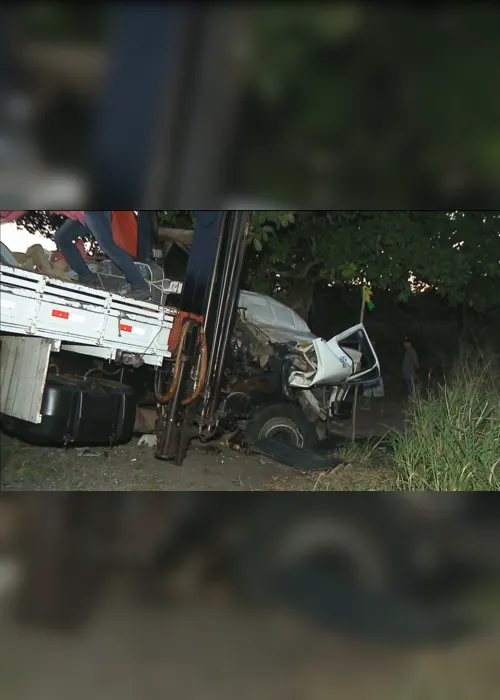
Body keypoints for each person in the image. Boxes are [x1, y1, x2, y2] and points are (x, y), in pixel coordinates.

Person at [0, 210, 151, 300]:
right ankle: (87, 277)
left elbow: (12, 213)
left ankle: (141, 286)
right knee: (62, 238)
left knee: (109, 247)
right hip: (82, 215)